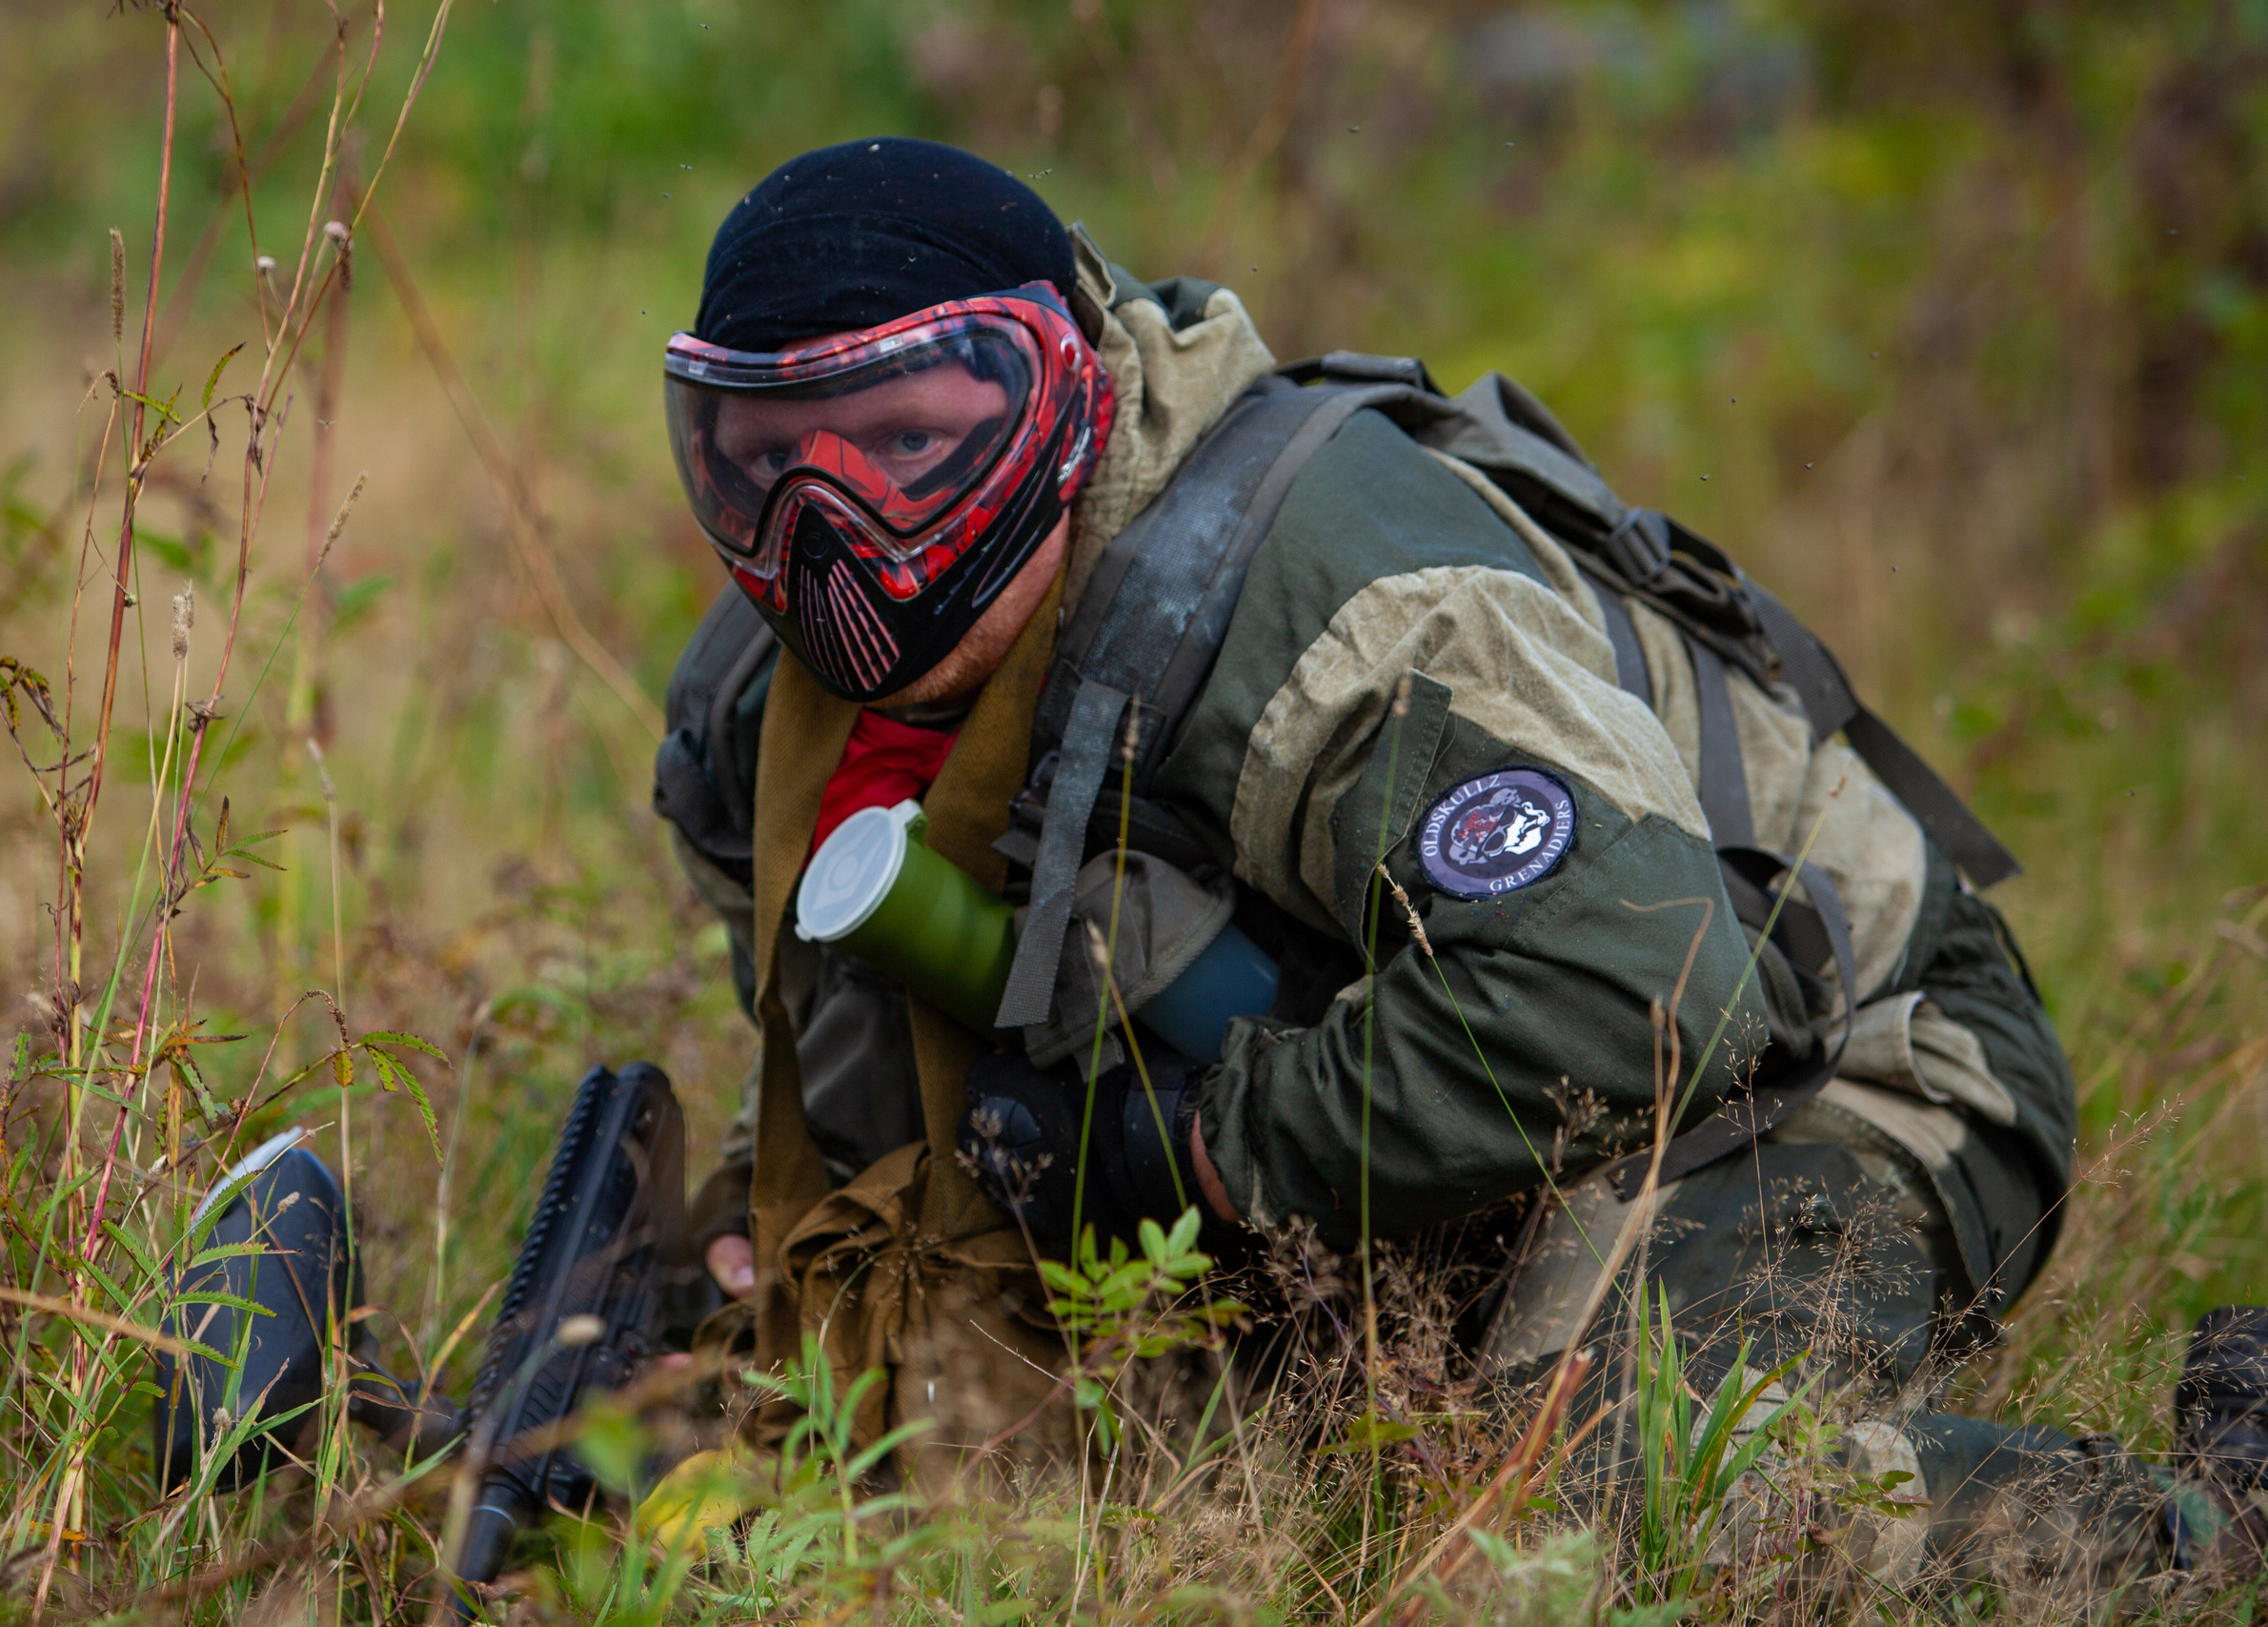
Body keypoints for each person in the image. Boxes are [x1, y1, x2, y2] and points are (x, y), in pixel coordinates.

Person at [650, 137, 2266, 1594]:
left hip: (1822, 1051)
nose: (828, 530)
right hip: (1443, 1085)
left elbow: (1644, 989)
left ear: (1065, 394)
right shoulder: (764, 714)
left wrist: (1200, 1162)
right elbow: (852, 1041)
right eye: (755, 461)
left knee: (1599, 1511)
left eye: (909, 441)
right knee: (947, 1470)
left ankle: (2206, 1521)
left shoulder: (1331, 609)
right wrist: (758, 1223)